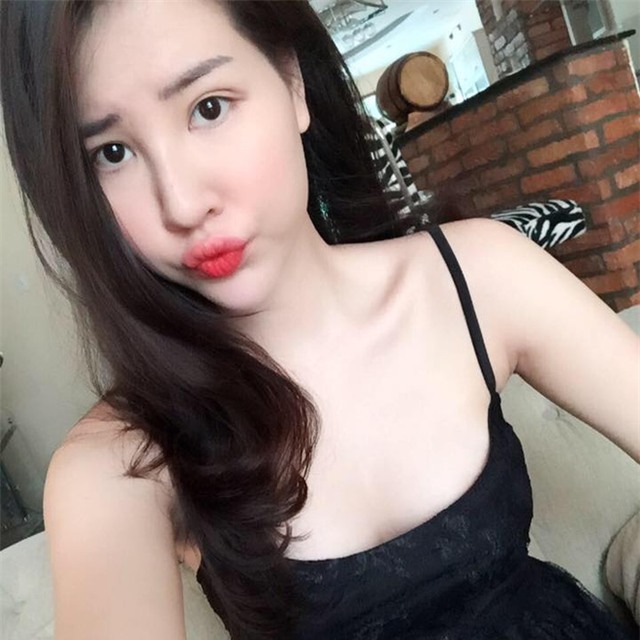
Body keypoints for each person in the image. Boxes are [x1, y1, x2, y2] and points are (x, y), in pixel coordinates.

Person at [1, 1, 638, 639]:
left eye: (209, 107)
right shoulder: (117, 462)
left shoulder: (480, 274)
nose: (184, 204)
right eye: (112, 153)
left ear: (292, 83)